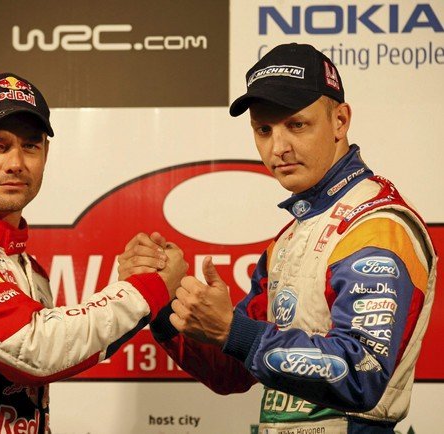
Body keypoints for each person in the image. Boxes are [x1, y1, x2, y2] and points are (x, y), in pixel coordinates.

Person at [121, 43, 437, 433]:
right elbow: (231, 372)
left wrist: (233, 330)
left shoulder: (375, 226)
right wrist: (164, 300)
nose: (278, 148)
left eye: (296, 125)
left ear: (340, 121)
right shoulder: (289, 240)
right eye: (264, 130)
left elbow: (360, 374)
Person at [0, 72, 187, 433]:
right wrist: (146, 289)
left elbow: (58, 358)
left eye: (30, 146)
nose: (15, 163)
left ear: (45, 154)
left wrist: (132, 286)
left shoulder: (28, 267)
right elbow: (36, 351)